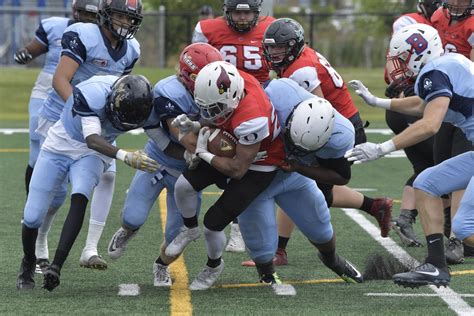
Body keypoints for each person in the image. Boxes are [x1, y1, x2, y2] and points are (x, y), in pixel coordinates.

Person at [347, 23, 473, 288]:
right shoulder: (445, 64)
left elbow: (430, 124)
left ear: (419, 54)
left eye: (402, 59)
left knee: (464, 228)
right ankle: (436, 266)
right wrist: (379, 102)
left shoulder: (434, 72)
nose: (398, 67)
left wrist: (381, 148)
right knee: (426, 183)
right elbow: (423, 103)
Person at [261, 17, 393, 265]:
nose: (275, 52)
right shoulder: (302, 57)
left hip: (334, 130)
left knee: (298, 186)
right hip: (340, 123)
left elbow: (317, 111)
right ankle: (376, 206)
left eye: (281, 47)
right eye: (272, 47)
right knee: (312, 190)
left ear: (295, 46)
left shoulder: (300, 70)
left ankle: (279, 250)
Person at [17, 74, 157, 291]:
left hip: (93, 154)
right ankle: (27, 261)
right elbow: (92, 140)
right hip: (62, 144)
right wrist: (126, 156)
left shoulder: (144, 104)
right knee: (32, 216)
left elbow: (161, 126)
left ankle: (56, 266)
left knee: (80, 195)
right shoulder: (92, 93)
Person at [33, 0, 143, 271]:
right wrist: (84, 113)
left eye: (129, 19)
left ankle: (90, 248)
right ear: (106, 15)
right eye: (119, 16)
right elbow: (60, 80)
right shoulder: (84, 34)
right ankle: (40, 240)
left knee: (107, 174)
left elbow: (121, 88)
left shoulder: (131, 50)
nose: (124, 23)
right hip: (62, 114)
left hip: (99, 122)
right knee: (57, 192)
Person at [107, 43, 223, 287]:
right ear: (188, 75)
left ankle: (160, 265)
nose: (210, 81)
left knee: (176, 236)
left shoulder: (219, 90)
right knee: (132, 216)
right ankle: (128, 230)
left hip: (188, 174)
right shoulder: (167, 91)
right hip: (158, 162)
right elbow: (162, 139)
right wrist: (188, 155)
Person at [164, 61, 285, 290]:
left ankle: (213, 265)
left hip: (259, 162)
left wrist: (202, 152)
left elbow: (238, 169)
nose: (210, 113)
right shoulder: (231, 81)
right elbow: (217, 111)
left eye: (214, 108)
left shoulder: (252, 117)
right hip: (232, 140)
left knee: (213, 223)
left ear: (234, 97)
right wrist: (196, 124)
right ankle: (189, 229)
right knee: (183, 186)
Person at [238, 78, 364, 292]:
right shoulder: (276, 94)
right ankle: (266, 274)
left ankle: (332, 260)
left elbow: (341, 177)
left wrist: (299, 167)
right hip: (256, 175)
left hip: (292, 175)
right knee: (261, 243)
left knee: (320, 227)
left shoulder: (340, 135)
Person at [13, 0, 99, 273]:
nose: (87, 18)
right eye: (84, 13)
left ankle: (71, 241)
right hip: (49, 95)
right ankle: (35, 222)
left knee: (72, 187)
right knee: (38, 157)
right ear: (75, 11)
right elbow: (32, 50)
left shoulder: (108, 39)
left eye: (93, 14)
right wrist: (25, 53)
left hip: (85, 98)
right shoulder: (54, 26)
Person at [192, 0, 275, 252]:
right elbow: (196, 61)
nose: (241, 17)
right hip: (218, 106)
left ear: (256, 12)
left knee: (250, 167)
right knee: (224, 159)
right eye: (237, 12)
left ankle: (239, 227)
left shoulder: (271, 29)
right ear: (227, 12)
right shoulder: (207, 29)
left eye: (246, 12)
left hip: (255, 104)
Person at [384, 0, 440, 248]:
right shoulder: (410, 23)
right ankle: (450, 231)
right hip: (413, 102)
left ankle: (405, 219)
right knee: (443, 163)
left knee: (426, 166)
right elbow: (396, 59)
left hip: (410, 102)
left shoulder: (442, 23)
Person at [430, 0, 474, 263]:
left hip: (465, 104)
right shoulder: (437, 17)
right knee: (441, 163)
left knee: (460, 173)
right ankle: (450, 231)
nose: (457, 2)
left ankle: (457, 239)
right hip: (446, 102)